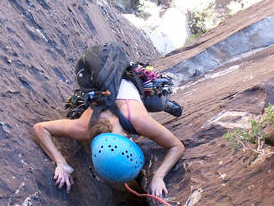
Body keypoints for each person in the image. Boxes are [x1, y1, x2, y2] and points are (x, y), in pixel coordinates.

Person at [33, 75, 185, 197]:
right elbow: (40, 128)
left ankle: (163, 103)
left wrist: (159, 175)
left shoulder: (138, 120)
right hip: (103, 88)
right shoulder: (82, 128)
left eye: (129, 141)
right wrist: (61, 163)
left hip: (128, 79)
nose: (132, 140)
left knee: (154, 102)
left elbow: (176, 146)